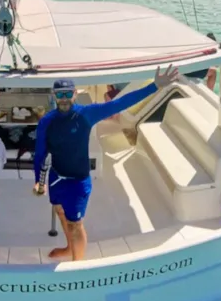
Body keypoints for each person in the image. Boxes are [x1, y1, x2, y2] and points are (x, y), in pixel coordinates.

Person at [33, 65, 180, 261]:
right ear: (54, 96)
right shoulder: (47, 121)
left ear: (75, 94)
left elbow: (120, 103)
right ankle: (69, 248)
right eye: (60, 95)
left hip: (78, 182)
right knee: (60, 212)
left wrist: (154, 87)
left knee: (75, 224)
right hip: (56, 178)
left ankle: (77, 265)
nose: (65, 98)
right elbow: (40, 153)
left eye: (68, 93)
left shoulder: (86, 114)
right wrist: (38, 180)